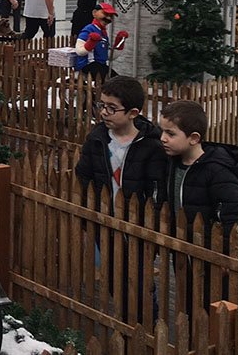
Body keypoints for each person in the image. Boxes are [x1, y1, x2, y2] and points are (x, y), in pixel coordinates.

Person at [76, 76, 167, 322]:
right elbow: (83, 176)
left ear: (133, 113)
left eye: (111, 108)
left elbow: (158, 189)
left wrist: (154, 222)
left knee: (141, 282)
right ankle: (126, 323)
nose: (104, 112)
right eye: (101, 105)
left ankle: (147, 324)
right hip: (104, 222)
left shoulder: (151, 145)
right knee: (115, 279)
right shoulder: (96, 139)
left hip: (138, 226)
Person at [160, 100, 238, 314]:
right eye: (162, 131)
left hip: (212, 254)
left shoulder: (217, 171)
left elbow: (237, 215)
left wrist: (227, 256)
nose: (163, 138)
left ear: (194, 138)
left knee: (215, 309)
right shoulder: (172, 163)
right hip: (183, 249)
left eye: (170, 134)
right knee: (188, 303)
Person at [74, 2, 128, 81]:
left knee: (117, 80)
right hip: (88, 65)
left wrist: (119, 42)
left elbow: (109, 56)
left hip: (100, 65)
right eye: (105, 14)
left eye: (111, 16)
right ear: (94, 13)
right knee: (107, 80)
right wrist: (91, 42)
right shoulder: (88, 29)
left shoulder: (103, 33)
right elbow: (79, 51)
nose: (108, 18)